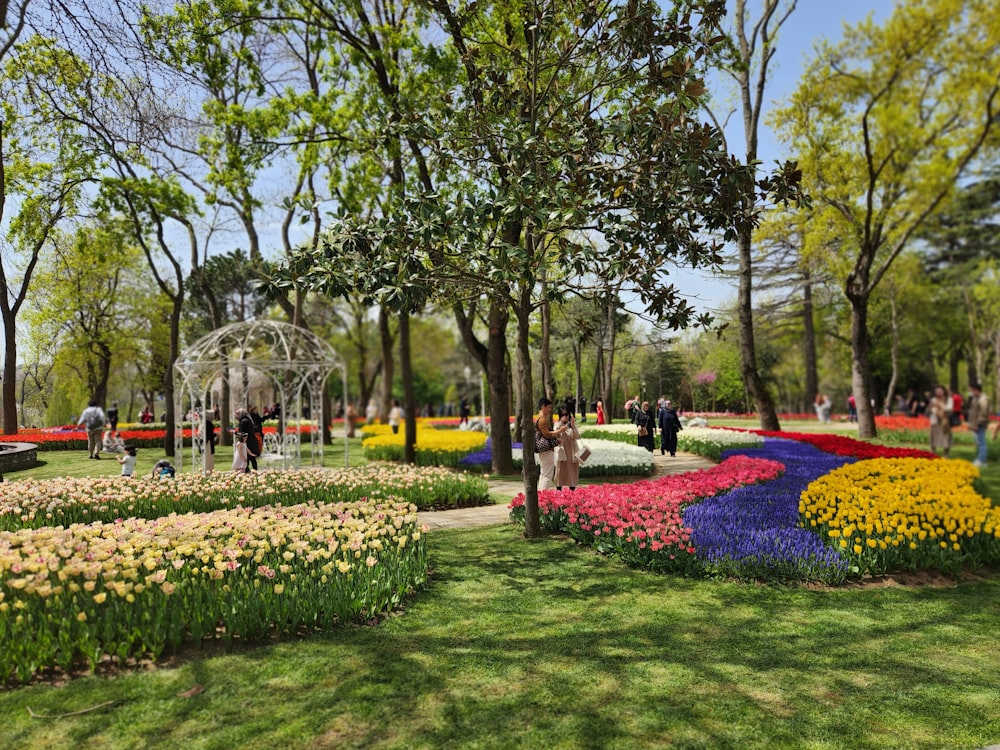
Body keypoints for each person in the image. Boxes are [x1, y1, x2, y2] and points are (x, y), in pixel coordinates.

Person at [535, 397, 568, 490]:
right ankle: (543, 495)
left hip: (545, 450)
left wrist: (556, 440)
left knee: (544, 473)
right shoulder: (542, 420)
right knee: (547, 474)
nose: (550, 410)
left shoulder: (541, 419)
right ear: (543, 407)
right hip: (546, 450)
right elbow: (547, 434)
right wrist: (560, 431)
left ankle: (540, 495)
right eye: (548, 407)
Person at [554, 406, 581, 491]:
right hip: (562, 452)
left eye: (567, 414)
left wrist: (572, 426)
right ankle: (559, 491)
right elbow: (555, 434)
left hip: (572, 452)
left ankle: (572, 493)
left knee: (572, 472)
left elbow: (577, 436)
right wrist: (561, 425)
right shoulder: (557, 424)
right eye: (563, 414)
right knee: (560, 471)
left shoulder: (573, 425)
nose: (565, 416)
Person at [967, 383, 990, 467]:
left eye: (971, 390)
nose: (970, 392)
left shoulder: (983, 399)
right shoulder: (975, 398)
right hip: (975, 424)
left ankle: (982, 460)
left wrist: (978, 424)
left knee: (981, 442)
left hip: (979, 424)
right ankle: (980, 459)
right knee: (978, 442)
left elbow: (983, 413)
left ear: (976, 390)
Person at [927, 385, 953, 457]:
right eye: (937, 391)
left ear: (944, 391)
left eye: (940, 391)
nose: (938, 392)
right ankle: (932, 452)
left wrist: (940, 405)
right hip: (935, 420)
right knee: (933, 436)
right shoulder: (933, 399)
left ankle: (946, 454)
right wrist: (935, 411)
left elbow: (949, 409)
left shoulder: (949, 399)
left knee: (946, 436)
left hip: (945, 421)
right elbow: (931, 409)